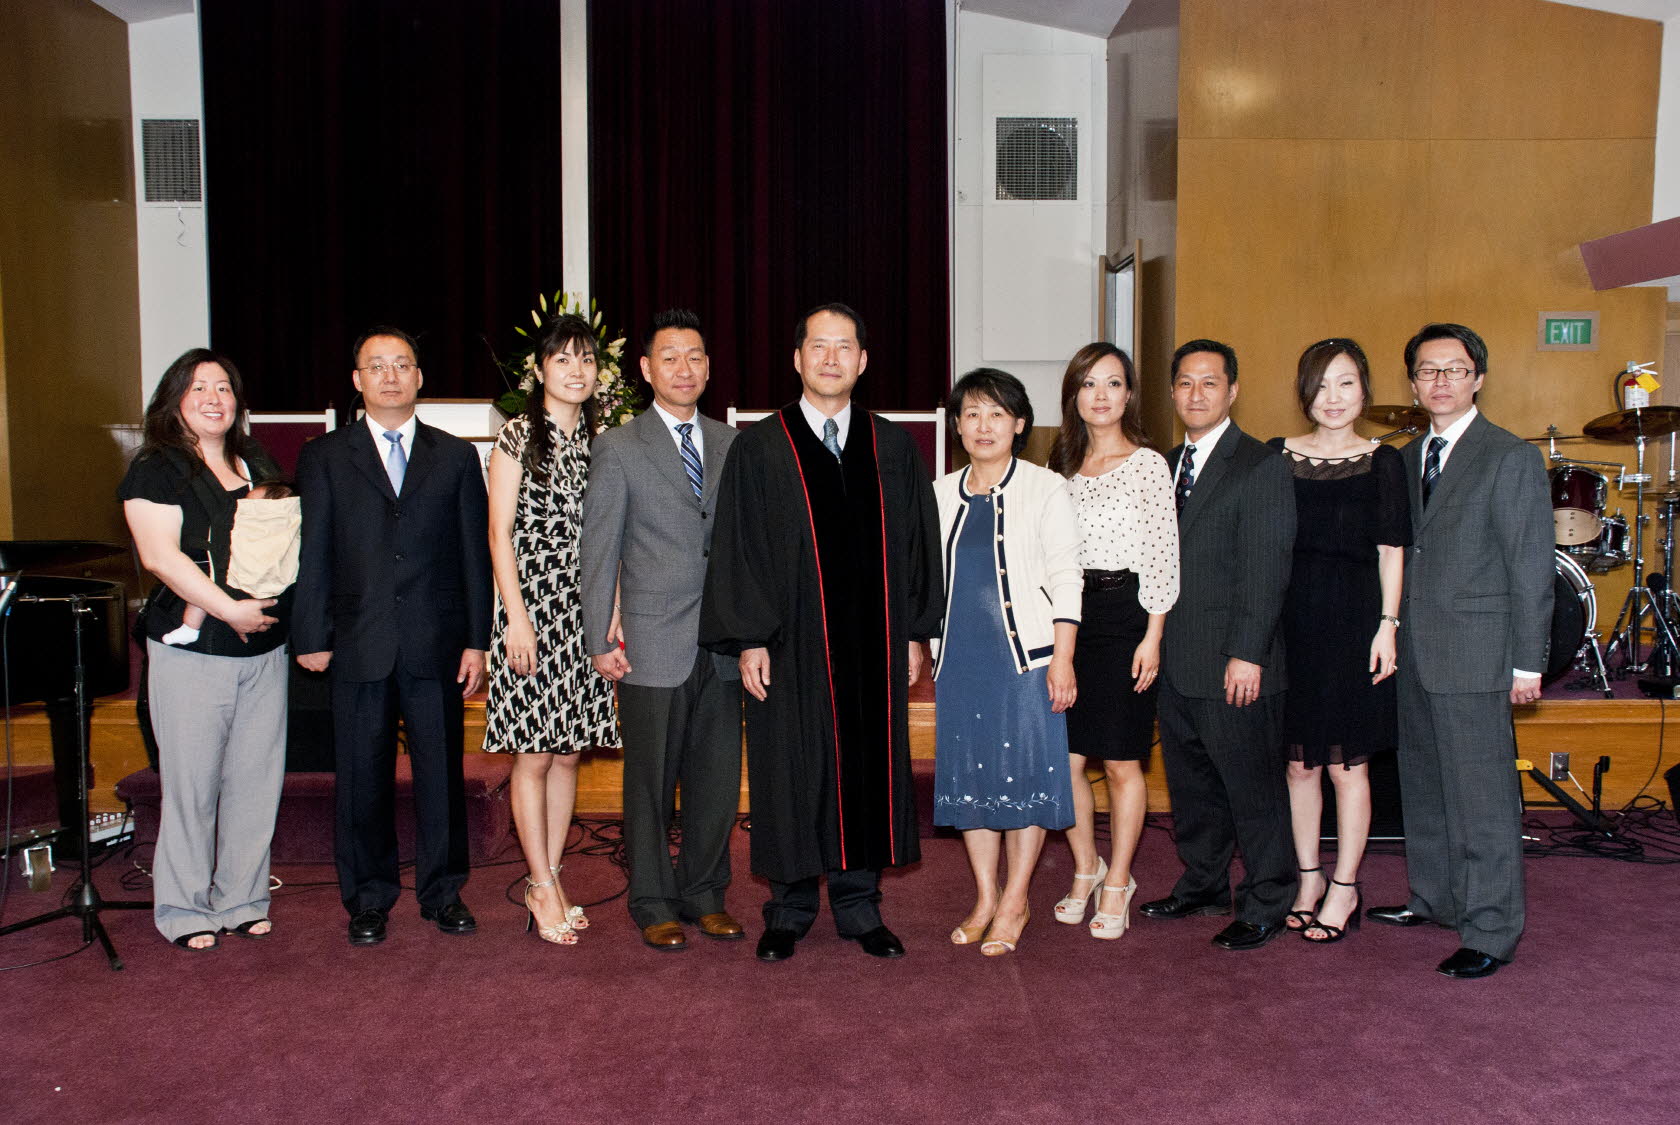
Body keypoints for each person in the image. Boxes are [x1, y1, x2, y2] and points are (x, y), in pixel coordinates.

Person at [699, 302, 942, 963]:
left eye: (844, 347)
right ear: (797, 358)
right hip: (791, 645)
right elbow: (740, 545)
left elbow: (917, 543)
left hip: (873, 644)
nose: (831, 358)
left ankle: (861, 906)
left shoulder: (891, 446)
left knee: (868, 765)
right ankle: (790, 908)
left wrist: (916, 631)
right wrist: (749, 637)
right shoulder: (761, 446)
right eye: (818, 346)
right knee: (789, 766)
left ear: (863, 361)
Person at [293, 326, 494, 947]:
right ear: (357, 380)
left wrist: (478, 639)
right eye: (376, 366)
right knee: (361, 776)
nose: (389, 376)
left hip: (437, 641)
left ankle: (443, 891)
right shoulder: (325, 456)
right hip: (358, 639)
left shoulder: (455, 456)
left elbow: (474, 554)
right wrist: (310, 632)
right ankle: (368, 898)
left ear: (419, 377)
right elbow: (314, 552)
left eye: (401, 364)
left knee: (441, 773)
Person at [1366, 323, 1552, 979]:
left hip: (1477, 652)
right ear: (1413, 383)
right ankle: (1436, 898)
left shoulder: (1510, 456)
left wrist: (1528, 661)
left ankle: (1492, 928)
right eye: (1427, 370)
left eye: (1454, 368)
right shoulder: (1403, 459)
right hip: (1413, 650)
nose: (1440, 380)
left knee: (1481, 798)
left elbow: (1530, 566)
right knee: (1423, 784)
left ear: (1479, 378)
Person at [580, 308, 743, 952]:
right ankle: (651, 901)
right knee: (649, 783)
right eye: (670, 357)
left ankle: (705, 895)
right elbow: (599, 550)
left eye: (695, 356)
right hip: (648, 641)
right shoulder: (620, 447)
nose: (684, 368)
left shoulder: (732, 444)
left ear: (708, 367)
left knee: (716, 781)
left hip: (722, 642)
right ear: (646, 369)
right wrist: (600, 639)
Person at [119, 348, 286, 951]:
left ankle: (242, 899)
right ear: (175, 401)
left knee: (255, 782)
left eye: (224, 388)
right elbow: (159, 557)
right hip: (193, 652)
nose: (214, 398)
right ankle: (184, 907)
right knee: (192, 786)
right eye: (198, 388)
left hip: (263, 648)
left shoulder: (256, 459)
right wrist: (228, 609)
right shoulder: (155, 467)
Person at [1138, 339, 1297, 951]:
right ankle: (1203, 884)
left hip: (1235, 662)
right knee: (1193, 788)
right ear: (1172, 392)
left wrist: (1247, 653)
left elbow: (1267, 569)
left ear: (1232, 391)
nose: (1196, 393)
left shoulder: (1260, 465)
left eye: (1210, 382)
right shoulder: (1162, 465)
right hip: (1174, 659)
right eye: (1185, 382)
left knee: (1253, 791)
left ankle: (1267, 901)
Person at [931, 368, 1079, 956]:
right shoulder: (940, 493)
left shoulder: (1046, 488)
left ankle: (1016, 899)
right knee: (972, 782)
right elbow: (926, 582)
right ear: (957, 425)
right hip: (960, 660)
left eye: (996, 413)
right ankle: (985, 897)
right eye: (971, 414)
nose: (983, 425)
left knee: (1025, 780)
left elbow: (1067, 577)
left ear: (1019, 424)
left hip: (1026, 661)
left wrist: (1063, 658)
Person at [483, 315, 620, 946]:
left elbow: (612, 536)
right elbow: (498, 534)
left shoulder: (603, 441)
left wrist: (613, 608)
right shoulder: (516, 436)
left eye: (586, 359)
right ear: (540, 370)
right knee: (534, 753)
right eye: (563, 359)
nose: (576, 370)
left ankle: (554, 876)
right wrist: (516, 618)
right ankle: (538, 884)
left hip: (584, 609)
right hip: (531, 610)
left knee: (568, 752)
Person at [1267, 339, 1409, 943]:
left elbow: (1391, 551)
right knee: (1300, 764)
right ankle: (1309, 880)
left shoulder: (1384, 462)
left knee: (1348, 766)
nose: (1333, 397)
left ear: (1364, 391)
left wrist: (1388, 626)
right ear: (1304, 393)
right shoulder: (1276, 455)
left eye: (1346, 383)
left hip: (1355, 624)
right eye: (1321, 384)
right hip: (1290, 625)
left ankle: (1345, 886)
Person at [1046, 343, 1178, 940]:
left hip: (1128, 616)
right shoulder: (1060, 465)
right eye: (1089, 383)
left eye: (1113, 383)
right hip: (1071, 619)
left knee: (1123, 760)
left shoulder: (1148, 465)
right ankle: (1086, 867)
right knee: (1067, 760)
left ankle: (1119, 879)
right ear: (1074, 395)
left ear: (1129, 394)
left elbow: (1162, 556)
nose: (1101, 395)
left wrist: (1153, 635)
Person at [163, 480, 297, 647]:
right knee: (203, 587)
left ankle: (190, 627)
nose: (243, 507)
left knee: (208, 588)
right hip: (238, 580)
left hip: (256, 583)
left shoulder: (283, 527)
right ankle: (190, 627)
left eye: (252, 504)